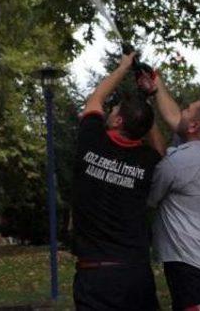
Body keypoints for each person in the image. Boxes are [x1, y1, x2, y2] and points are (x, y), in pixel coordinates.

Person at [72, 52, 165, 311]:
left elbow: (95, 100)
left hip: (97, 277)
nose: (109, 112)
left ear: (119, 120)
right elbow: (161, 150)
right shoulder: (147, 160)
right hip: (136, 273)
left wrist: (123, 67)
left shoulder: (92, 140)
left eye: (114, 111)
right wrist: (146, 107)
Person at [140, 67, 200, 310]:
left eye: (187, 110)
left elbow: (150, 199)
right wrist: (156, 86)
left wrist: (146, 117)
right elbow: (174, 118)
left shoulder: (179, 163)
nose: (181, 112)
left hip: (194, 269)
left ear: (194, 126)